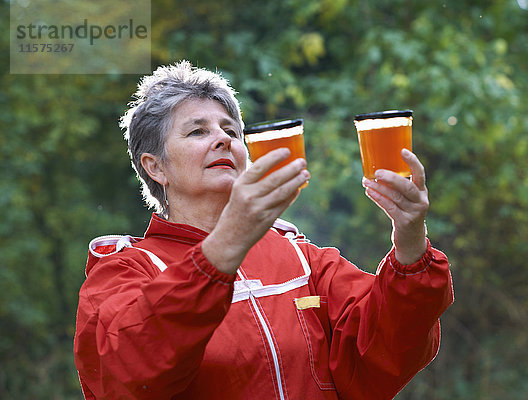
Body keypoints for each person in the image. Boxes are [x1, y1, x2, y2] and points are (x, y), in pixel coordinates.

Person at [73, 60, 454, 400]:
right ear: (156, 168)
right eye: (197, 132)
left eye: (231, 130)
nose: (223, 138)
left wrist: (409, 239)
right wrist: (228, 243)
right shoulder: (124, 271)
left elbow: (390, 349)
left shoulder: (299, 257)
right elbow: (128, 374)